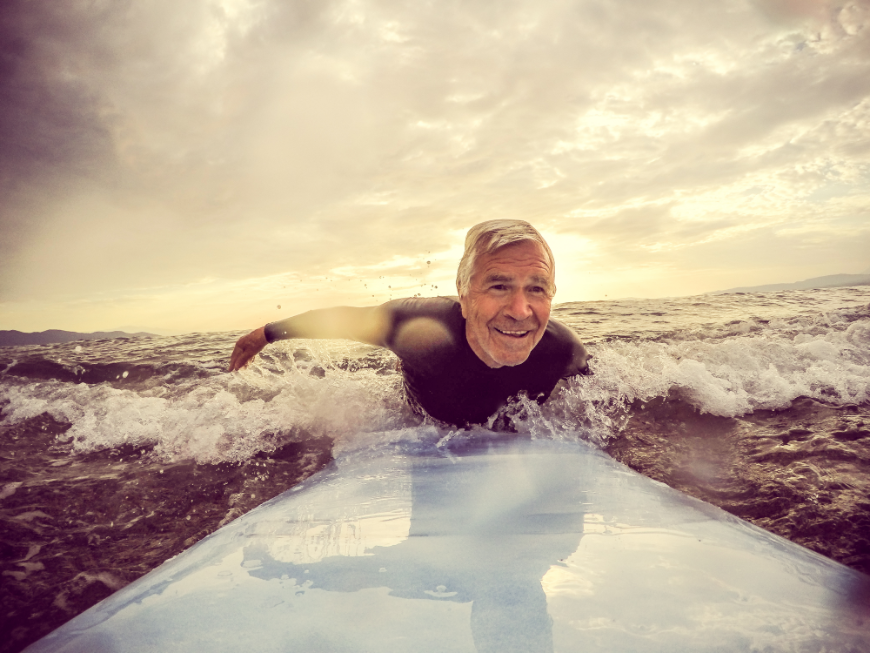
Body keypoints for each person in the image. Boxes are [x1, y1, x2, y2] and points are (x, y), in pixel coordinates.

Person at [228, 219, 591, 427]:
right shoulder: (417, 329)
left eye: (537, 289)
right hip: (422, 420)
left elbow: (599, 395)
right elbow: (342, 321)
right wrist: (267, 333)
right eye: (498, 286)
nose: (520, 310)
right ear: (463, 293)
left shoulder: (562, 350)